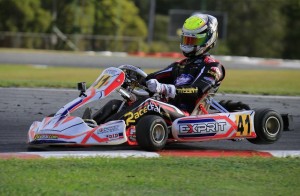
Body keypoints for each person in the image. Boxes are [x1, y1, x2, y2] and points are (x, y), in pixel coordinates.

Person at [145, 13, 225, 114]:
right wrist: (131, 76)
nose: (188, 44)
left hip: (189, 115)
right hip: (169, 110)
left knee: (149, 106)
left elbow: (197, 90)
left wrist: (165, 88)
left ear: (208, 39)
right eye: (187, 40)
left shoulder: (212, 66)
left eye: (193, 40)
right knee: (137, 102)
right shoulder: (180, 65)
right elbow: (151, 78)